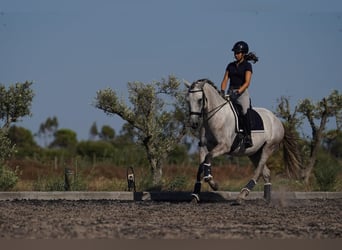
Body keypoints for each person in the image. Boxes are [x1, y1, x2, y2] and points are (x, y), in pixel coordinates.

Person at [220, 41, 258, 148]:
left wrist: (239, 91)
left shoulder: (247, 66)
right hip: (230, 92)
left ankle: (248, 137)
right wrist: (222, 91)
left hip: (242, 93)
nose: (236, 54)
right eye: (235, 53)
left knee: (245, 111)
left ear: (243, 53)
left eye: (238, 53)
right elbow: (225, 79)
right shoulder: (230, 65)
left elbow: (247, 83)